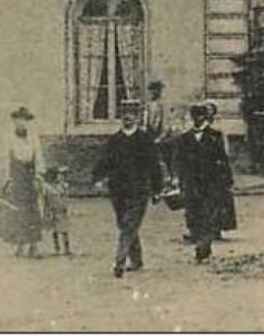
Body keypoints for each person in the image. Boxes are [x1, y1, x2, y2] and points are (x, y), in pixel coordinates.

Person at [91, 98, 166, 277]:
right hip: (118, 190)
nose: (128, 118)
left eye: (132, 114)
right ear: (121, 117)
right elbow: (104, 162)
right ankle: (137, 260)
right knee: (124, 223)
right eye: (125, 114)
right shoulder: (115, 140)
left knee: (129, 224)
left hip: (140, 190)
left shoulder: (145, 139)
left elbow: (154, 165)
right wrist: (98, 178)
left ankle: (120, 261)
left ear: (138, 117)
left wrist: (157, 189)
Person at [172, 103, 233, 262]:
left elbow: (223, 160)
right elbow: (178, 161)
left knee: (208, 215)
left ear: (206, 118)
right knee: (193, 214)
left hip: (210, 183)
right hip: (191, 184)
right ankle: (200, 241)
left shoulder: (214, 136)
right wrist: (177, 179)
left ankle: (203, 247)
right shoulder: (184, 139)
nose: (198, 119)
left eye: (201, 116)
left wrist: (226, 180)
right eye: (195, 117)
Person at [0, 106, 44, 258]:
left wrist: (39, 175)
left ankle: (34, 245)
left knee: (33, 210)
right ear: (14, 122)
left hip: (29, 177)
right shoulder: (8, 138)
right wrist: (6, 179)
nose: (22, 124)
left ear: (28, 122)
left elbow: (39, 157)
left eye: (25, 121)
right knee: (17, 211)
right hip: (16, 177)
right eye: (19, 121)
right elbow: (3, 159)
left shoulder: (33, 137)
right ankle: (20, 245)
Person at [202, 100, 238, 238]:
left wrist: (225, 161)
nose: (209, 111)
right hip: (204, 166)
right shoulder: (200, 125)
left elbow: (224, 144)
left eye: (211, 109)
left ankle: (217, 228)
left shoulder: (218, 126)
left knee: (219, 198)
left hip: (217, 165)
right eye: (206, 109)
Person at [38, 167, 72, 257]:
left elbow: (65, 197)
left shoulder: (61, 186)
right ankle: (58, 248)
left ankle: (66, 248)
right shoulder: (47, 187)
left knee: (65, 230)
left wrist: (66, 206)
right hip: (53, 210)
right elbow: (45, 200)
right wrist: (47, 211)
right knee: (55, 231)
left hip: (61, 210)